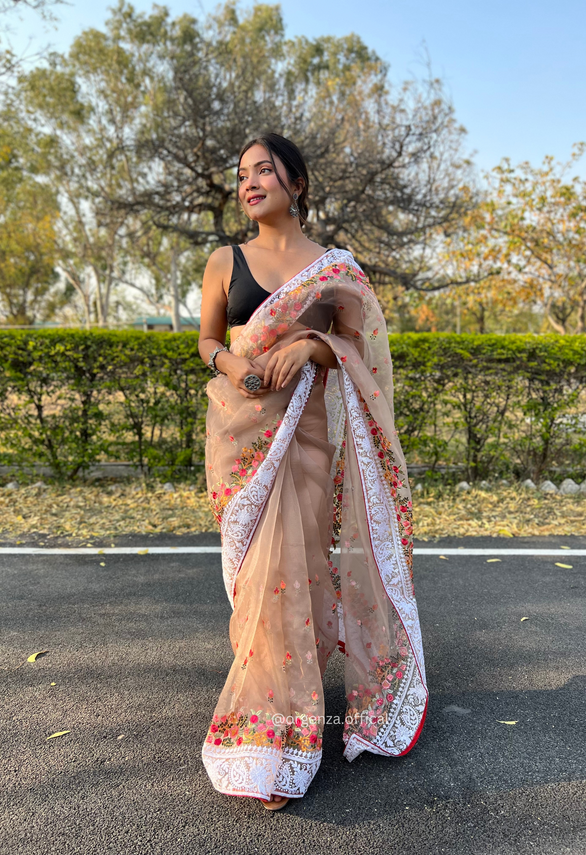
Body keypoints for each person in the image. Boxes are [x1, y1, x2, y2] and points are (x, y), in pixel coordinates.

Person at [198, 133, 428, 811]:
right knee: (261, 580)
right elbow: (209, 338)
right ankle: (276, 712)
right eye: (242, 174)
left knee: (298, 574)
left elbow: (360, 348)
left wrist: (311, 343)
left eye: (263, 169)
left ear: (296, 182)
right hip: (244, 438)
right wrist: (231, 363)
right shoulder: (223, 260)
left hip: (308, 437)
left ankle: (283, 736)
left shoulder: (336, 269)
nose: (249, 182)